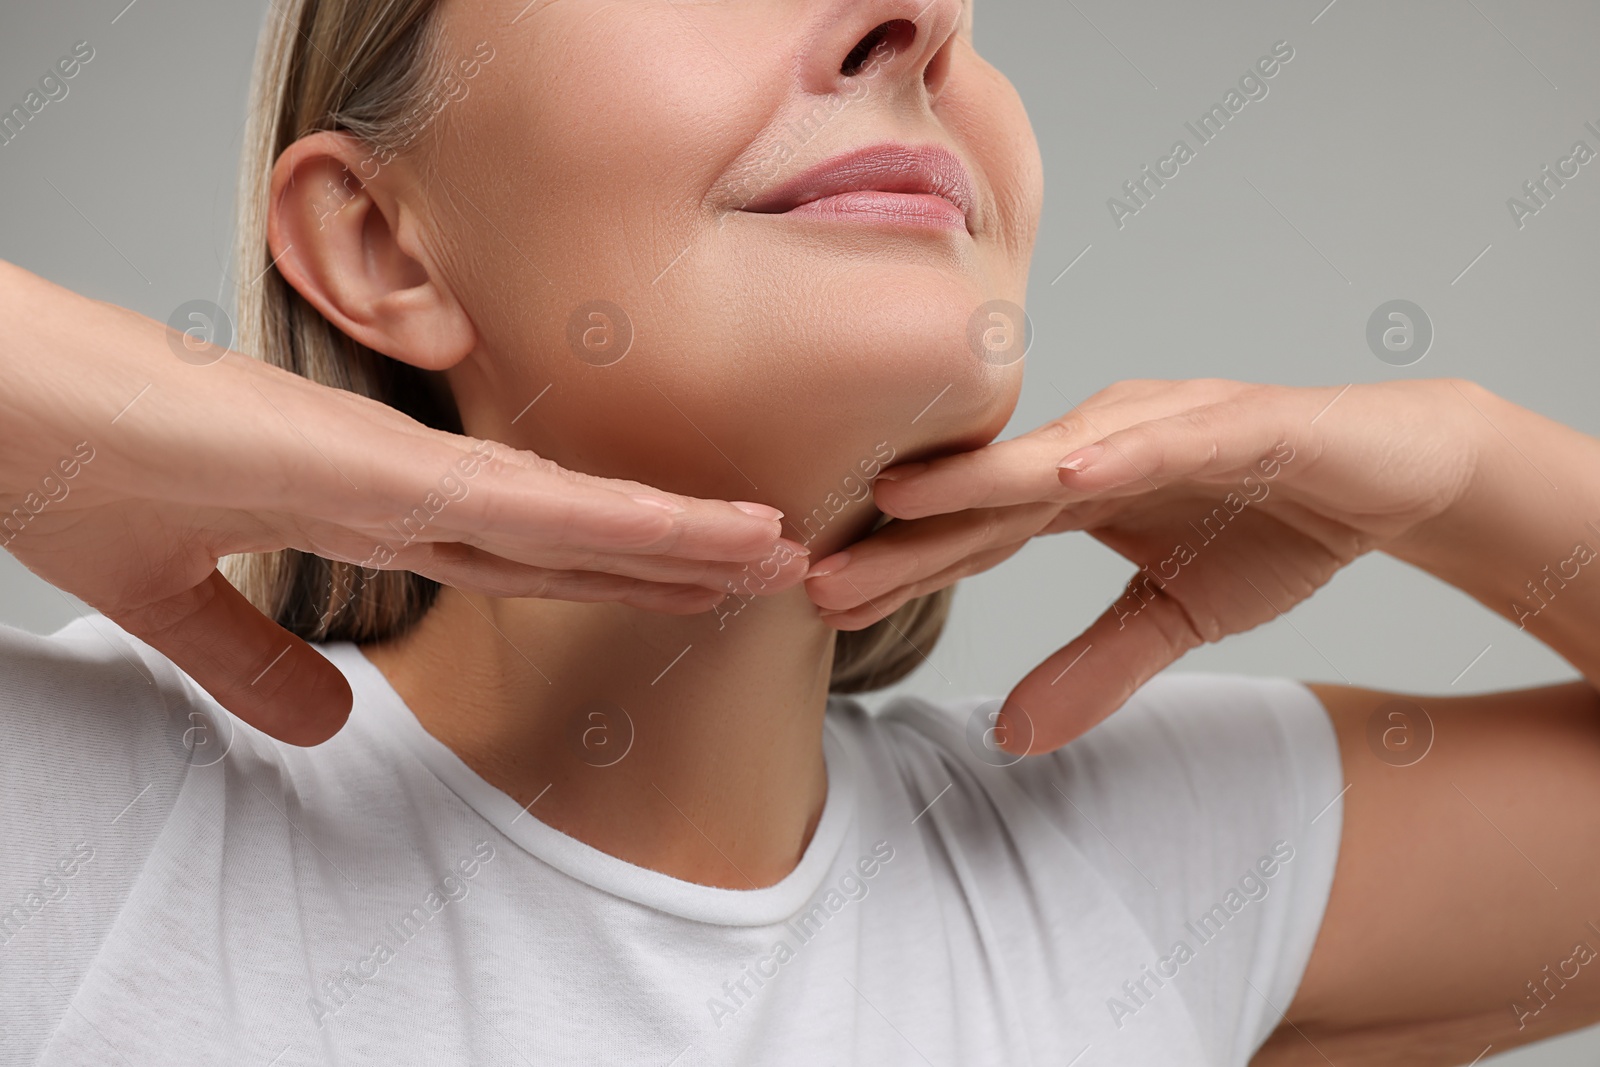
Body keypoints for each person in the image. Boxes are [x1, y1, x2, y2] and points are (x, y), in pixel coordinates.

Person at [2, 0, 1598, 1063]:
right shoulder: (72, 829)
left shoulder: (1138, 874)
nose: (916, 18)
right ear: (375, 246)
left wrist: (1464, 465)